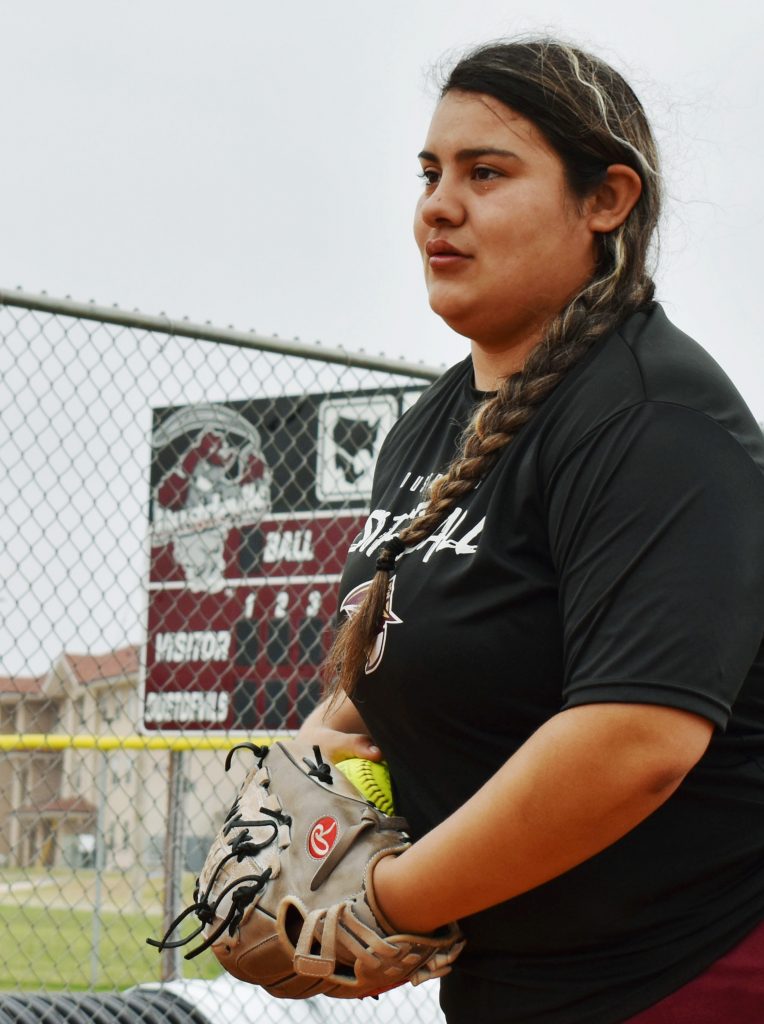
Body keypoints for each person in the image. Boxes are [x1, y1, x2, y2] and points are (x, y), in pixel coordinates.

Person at [297, 38, 764, 1023]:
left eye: (485, 172)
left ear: (605, 201)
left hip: (689, 972)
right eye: (428, 173)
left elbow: (635, 739)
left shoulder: (653, 417)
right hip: (514, 986)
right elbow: (387, 679)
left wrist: (383, 904)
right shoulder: (427, 428)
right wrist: (297, 798)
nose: (437, 204)